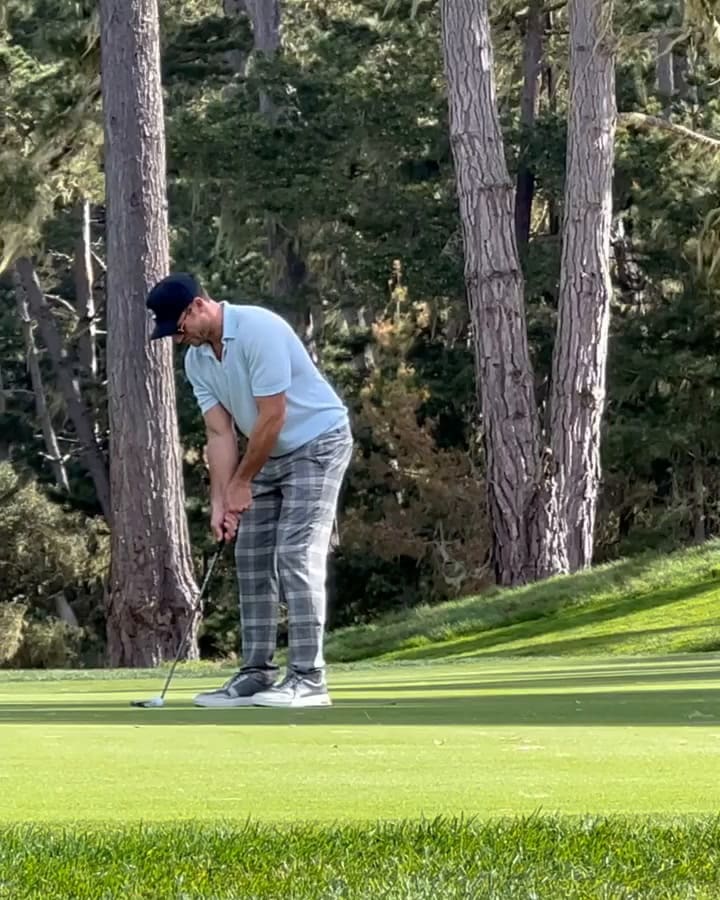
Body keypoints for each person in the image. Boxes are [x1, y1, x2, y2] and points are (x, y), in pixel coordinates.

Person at [146, 272, 353, 708]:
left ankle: (309, 678)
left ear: (198, 306)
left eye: (179, 327)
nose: (178, 338)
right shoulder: (197, 362)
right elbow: (220, 435)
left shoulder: (259, 329)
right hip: (268, 455)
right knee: (252, 557)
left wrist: (242, 482)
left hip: (318, 443)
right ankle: (256, 674)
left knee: (295, 554)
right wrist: (222, 500)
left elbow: (272, 416)